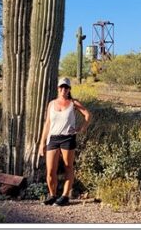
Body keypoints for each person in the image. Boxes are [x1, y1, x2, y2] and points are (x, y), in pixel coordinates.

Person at [38, 77, 92, 206]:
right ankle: (52, 195)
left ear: (69, 89)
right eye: (61, 87)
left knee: (68, 167)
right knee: (51, 170)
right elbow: (47, 124)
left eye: (66, 87)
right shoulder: (51, 104)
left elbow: (88, 115)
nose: (64, 89)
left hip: (68, 137)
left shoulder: (73, 103)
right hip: (53, 138)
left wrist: (82, 128)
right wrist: (42, 143)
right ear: (58, 88)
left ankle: (65, 196)